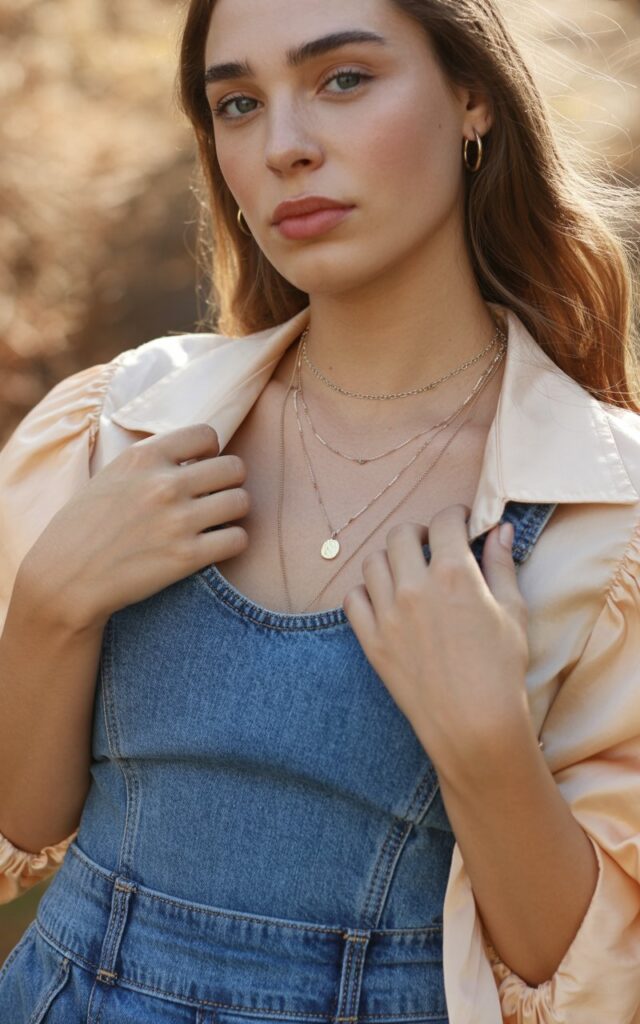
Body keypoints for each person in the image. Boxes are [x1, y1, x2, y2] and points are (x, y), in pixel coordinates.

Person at [0, 0, 639, 1021]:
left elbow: (584, 983)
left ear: (472, 98)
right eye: (239, 103)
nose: (284, 147)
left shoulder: (605, 518)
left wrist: (486, 748)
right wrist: (46, 609)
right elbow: (26, 823)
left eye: (342, 79)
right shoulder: (120, 423)